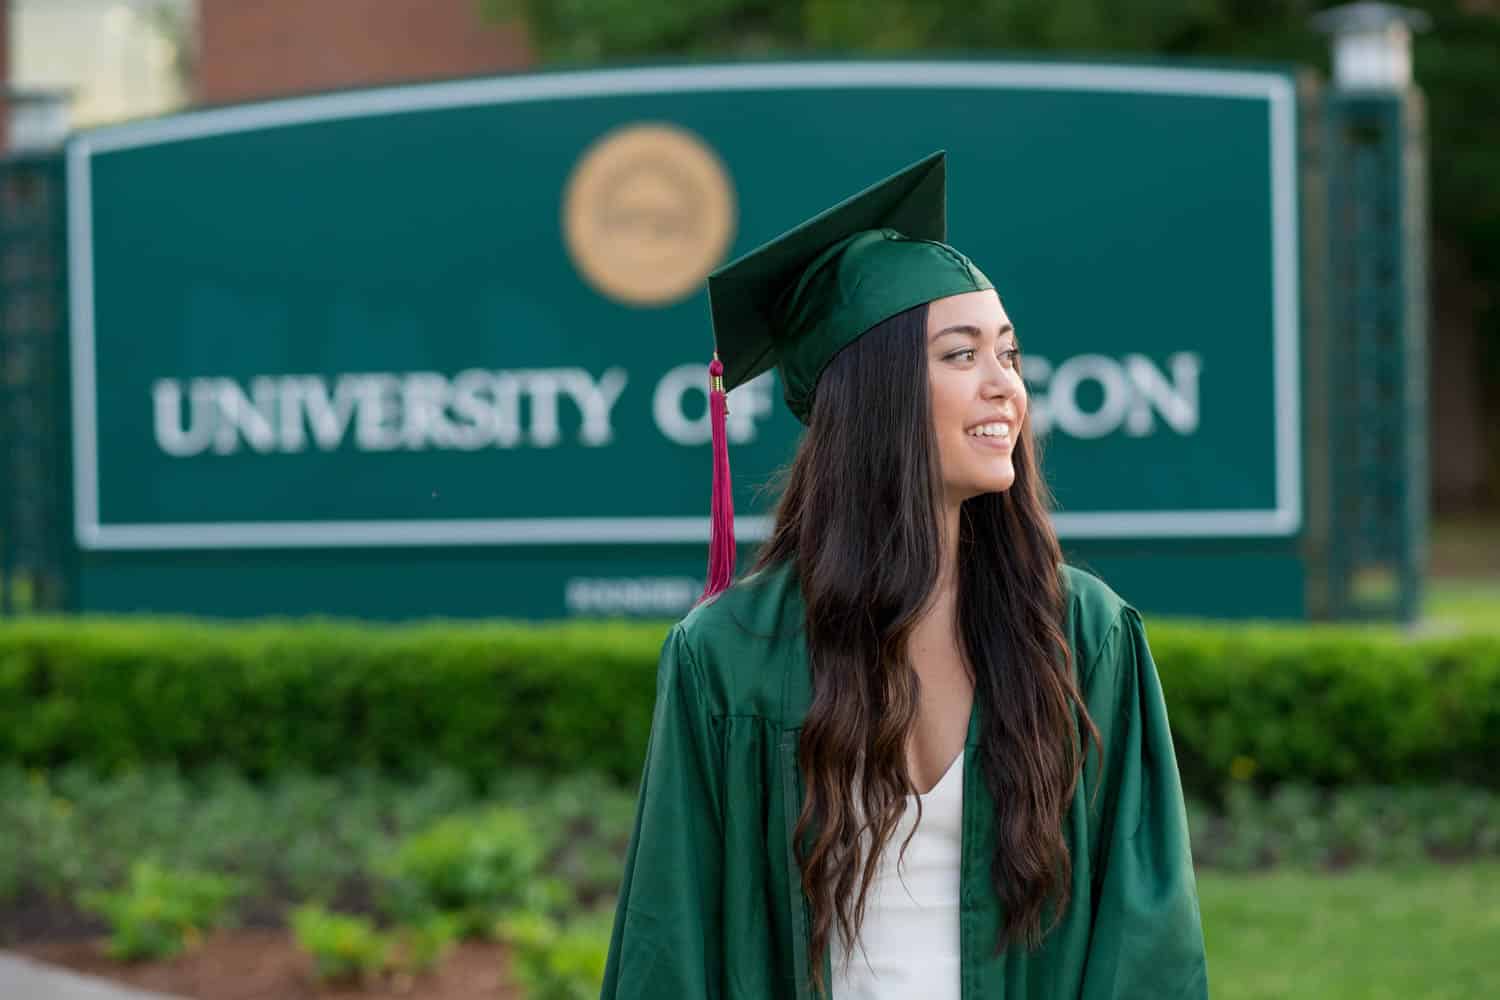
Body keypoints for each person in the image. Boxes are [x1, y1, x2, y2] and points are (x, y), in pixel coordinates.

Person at [600, 151, 1208, 999]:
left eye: (1009, 355)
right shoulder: (729, 656)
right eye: (962, 356)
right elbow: (671, 940)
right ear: (873, 394)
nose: (1005, 387)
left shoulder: (1083, 634)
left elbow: (1145, 940)